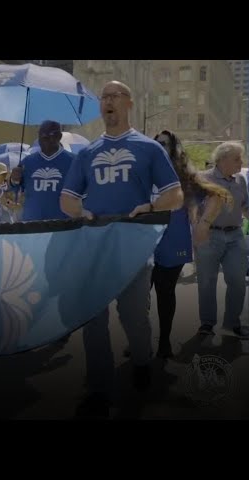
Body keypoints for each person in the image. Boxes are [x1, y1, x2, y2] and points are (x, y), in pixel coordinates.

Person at [60, 81, 184, 417]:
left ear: (129, 103)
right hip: (94, 244)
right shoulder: (86, 153)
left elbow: (176, 196)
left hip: (133, 246)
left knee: (133, 317)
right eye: (104, 98)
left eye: (115, 96)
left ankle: (142, 360)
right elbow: (67, 198)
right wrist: (81, 211)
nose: (108, 102)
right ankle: (99, 388)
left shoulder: (149, 149)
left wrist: (150, 205)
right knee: (94, 319)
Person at [146, 130, 231, 357]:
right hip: (143, 244)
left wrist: (203, 224)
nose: (159, 147)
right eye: (155, 143)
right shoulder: (144, 172)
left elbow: (217, 195)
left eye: (164, 144)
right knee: (139, 297)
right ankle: (140, 339)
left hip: (172, 244)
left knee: (165, 294)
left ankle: (164, 341)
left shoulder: (184, 178)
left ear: (174, 149)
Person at [195, 141, 249, 338]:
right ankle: (207, 324)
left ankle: (232, 323)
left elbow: (245, 206)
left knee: (237, 280)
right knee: (207, 282)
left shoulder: (240, 181)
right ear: (223, 159)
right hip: (210, 236)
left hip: (235, 236)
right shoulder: (202, 179)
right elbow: (192, 209)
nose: (240, 162)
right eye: (237, 158)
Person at [11, 120, 75, 221]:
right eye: (41, 134)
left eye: (50, 134)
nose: (44, 137)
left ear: (59, 136)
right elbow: (13, 191)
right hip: (32, 225)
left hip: (61, 226)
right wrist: (13, 180)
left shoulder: (73, 161)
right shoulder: (27, 162)